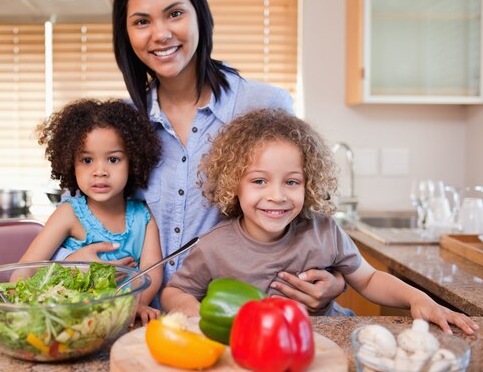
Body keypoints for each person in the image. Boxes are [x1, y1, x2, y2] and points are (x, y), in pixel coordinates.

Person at [66, 0, 346, 313]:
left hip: (240, 321)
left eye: (175, 13)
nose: (161, 33)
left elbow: (301, 214)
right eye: (141, 21)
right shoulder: (117, 123)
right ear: (126, 33)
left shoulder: (264, 104)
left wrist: (335, 280)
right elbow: (78, 211)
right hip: (147, 321)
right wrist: (72, 259)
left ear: (200, 14)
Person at [161, 109, 479, 334]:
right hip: (251, 349)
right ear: (234, 185)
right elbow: (174, 293)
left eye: (291, 182)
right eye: (259, 181)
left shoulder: (324, 230)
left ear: (308, 183)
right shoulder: (215, 246)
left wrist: (417, 298)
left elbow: (368, 280)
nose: (277, 196)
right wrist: (196, 312)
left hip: (326, 339)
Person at [16, 98, 163, 324]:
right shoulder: (69, 214)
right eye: (87, 160)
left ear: (133, 162)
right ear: (70, 164)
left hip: (117, 325)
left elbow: (151, 273)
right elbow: (22, 275)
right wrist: (73, 267)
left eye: (113, 159)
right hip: (68, 323)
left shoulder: (143, 216)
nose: (100, 171)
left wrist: (137, 304)